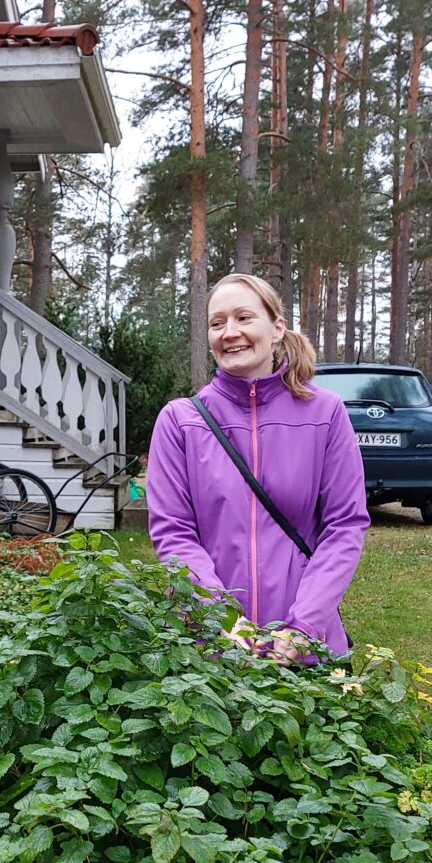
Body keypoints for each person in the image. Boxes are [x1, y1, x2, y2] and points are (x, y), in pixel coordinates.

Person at [145, 272, 370, 661]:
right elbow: (174, 532)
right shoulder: (180, 421)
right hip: (209, 648)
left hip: (304, 648)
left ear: (277, 327)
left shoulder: (325, 413)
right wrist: (217, 616)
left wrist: (304, 627)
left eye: (244, 318)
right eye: (218, 323)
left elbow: (344, 526)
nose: (230, 332)